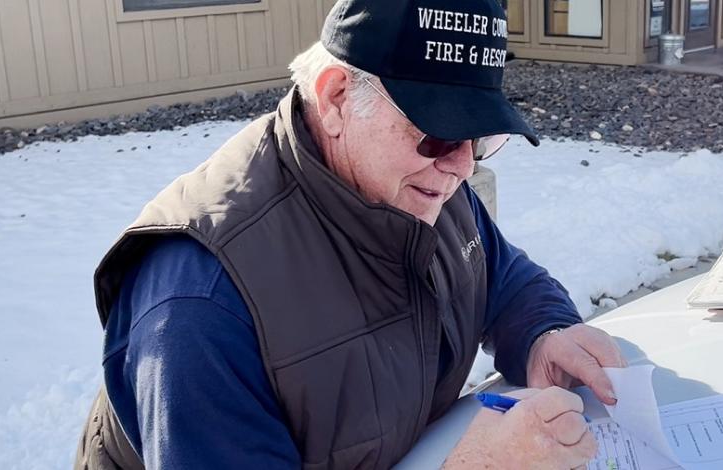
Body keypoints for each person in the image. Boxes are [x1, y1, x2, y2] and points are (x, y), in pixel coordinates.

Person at [72, 0, 626, 468]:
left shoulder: (425, 185)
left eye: (479, 137)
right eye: (436, 132)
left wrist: (543, 332)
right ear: (337, 97)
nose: (459, 166)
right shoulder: (201, 303)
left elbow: (500, 276)